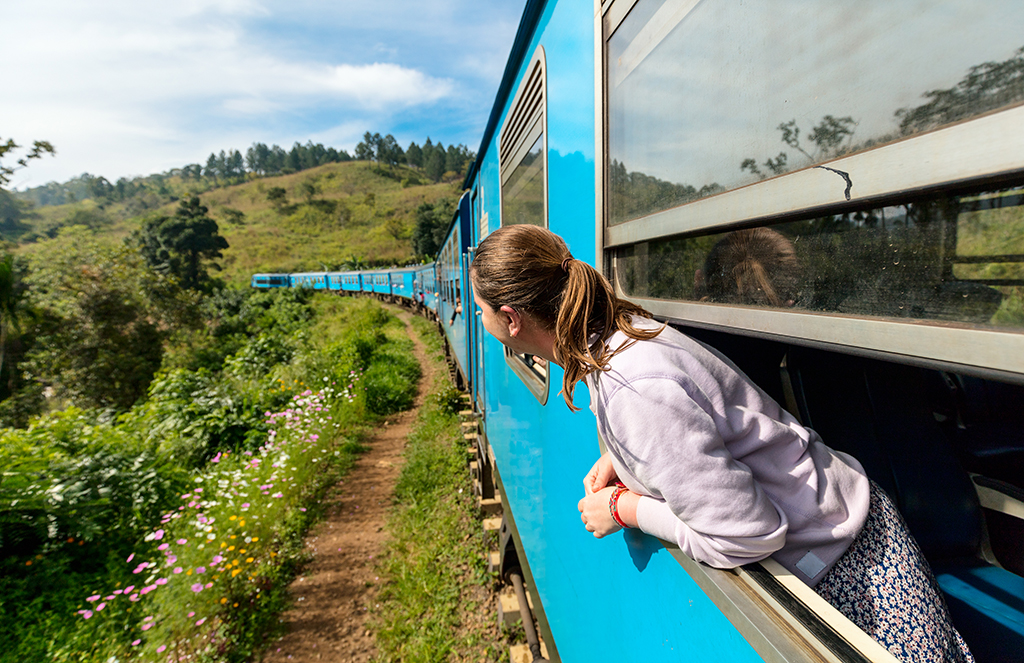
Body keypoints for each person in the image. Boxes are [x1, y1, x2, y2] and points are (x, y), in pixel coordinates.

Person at [470, 224, 973, 663]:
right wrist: (620, 456)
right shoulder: (625, 336)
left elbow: (747, 536)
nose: (484, 323)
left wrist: (624, 508)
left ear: (511, 319)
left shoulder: (633, 388)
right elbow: (692, 419)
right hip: (848, 532)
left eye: (483, 312)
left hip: (853, 569)